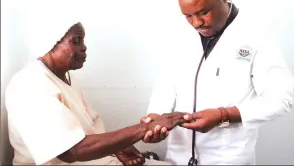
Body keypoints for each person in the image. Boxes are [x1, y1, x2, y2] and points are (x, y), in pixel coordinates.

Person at [141, 0, 294, 165]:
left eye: (203, 12)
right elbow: (166, 86)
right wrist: (155, 117)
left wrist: (223, 115)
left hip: (227, 159)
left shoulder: (256, 37)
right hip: (178, 158)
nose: (196, 23)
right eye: (188, 16)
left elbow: (281, 99)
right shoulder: (179, 37)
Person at [5, 20, 187, 165]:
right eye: (76, 41)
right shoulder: (30, 83)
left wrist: (116, 148)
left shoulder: (67, 79)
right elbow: (71, 151)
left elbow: (89, 131)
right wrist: (144, 128)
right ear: (50, 43)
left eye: (82, 40)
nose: (84, 47)